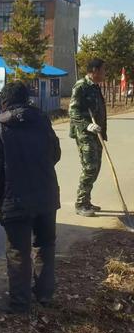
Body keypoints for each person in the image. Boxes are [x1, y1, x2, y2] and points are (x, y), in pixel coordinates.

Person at [0, 81, 61, 314]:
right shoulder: (43, 120)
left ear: (4, 102)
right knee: (45, 245)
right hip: (46, 197)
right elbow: (56, 154)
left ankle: (20, 305)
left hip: (15, 200)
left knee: (18, 251)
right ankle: (44, 296)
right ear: (27, 100)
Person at [69, 58, 107, 217]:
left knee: (96, 167)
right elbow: (73, 112)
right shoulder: (81, 86)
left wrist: (102, 131)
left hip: (96, 133)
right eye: (104, 70)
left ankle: (87, 200)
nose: (105, 73)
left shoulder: (95, 87)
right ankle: (80, 203)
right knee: (90, 167)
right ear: (95, 70)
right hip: (85, 133)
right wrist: (87, 125)